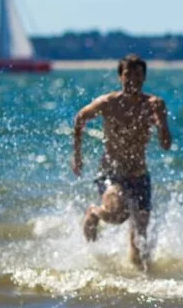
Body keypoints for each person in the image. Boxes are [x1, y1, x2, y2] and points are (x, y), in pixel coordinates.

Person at [72, 54, 172, 271]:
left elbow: (166, 145)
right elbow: (80, 118)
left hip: (140, 175)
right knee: (117, 214)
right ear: (120, 77)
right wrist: (77, 156)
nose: (132, 79)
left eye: (138, 75)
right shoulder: (108, 103)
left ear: (144, 78)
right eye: (128, 74)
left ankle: (140, 281)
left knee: (140, 243)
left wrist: (161, 123)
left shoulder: (153, 105)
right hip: (112, 173)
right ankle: (94, 212)